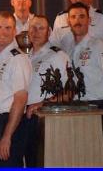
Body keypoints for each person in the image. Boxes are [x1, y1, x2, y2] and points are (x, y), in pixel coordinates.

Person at [67, 2, 103, 167]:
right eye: (73, 17)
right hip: (75, 109)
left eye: (82, 16)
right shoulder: (69, 49)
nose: (77, 20)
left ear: (89, 20)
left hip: (96, 108)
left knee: (101, 157)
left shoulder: (101, 47)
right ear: (68, 22)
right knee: (81, 158)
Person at [24, 15, 71, 167]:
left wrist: (43, 104)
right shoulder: (25, 56)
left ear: (49, 32)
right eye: (33, 28)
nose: (36, 32)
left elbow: (70, 91)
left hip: (45, 118)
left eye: (41, 28)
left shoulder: (58, 56)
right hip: (25, 118)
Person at [0, 11, 32, 167]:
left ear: (15, 31)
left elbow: (20, 100)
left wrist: (7, 136)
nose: (3, 32)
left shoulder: (18, 59)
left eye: (8, 28)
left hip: (10, 124)